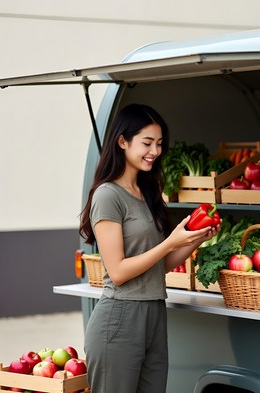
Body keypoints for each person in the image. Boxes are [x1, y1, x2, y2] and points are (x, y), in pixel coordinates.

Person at [79, 103, 220, 393]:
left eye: (158, 144)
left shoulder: (146, 193)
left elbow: (160, 265)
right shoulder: (108, 196)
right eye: (146, 143)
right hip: (119, 317)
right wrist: (170, 242)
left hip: (154, 312)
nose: (154, 151)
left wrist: (194, 239)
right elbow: (117, 272)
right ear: (122, 141)